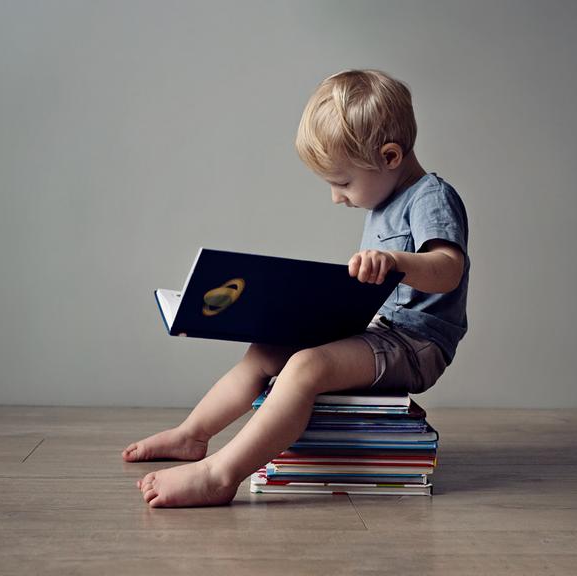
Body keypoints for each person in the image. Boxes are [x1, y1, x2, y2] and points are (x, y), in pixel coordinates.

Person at [124, 69, 470, 507]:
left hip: (417, 344)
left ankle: (220, 474)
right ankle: (193, 435)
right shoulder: (385, 198)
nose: (336, 197)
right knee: (267, 348)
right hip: (381, 330)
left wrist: (395, 262)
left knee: (307, 366)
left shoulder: (430, 197)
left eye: (342, 183)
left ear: (390, 157)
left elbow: (448, 269)